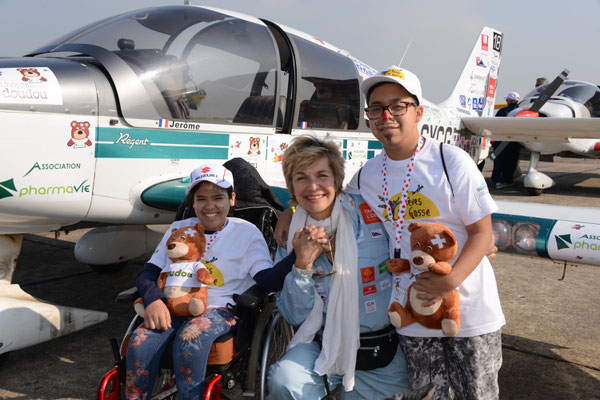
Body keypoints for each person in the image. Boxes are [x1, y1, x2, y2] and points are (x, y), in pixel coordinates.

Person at [343, 66, 505, 400]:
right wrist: (289, 214)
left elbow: (482, 233)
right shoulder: (366, 177)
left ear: (418, 112)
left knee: (476, 394)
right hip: (412, 312)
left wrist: (451, 279)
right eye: (376, 108)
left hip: (470, 311)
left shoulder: (451, 161)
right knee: (424, 394)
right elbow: (333, 205)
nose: (386, 115)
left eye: (397, 105)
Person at [125, 163, 298, 400]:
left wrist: (298, 255)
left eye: (218, 197)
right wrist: (153, 299)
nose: (209, 206)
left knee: (190, 338)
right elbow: (148, 273)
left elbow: (267, 281)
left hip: (219, 310)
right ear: (193, 203)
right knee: (139, 341)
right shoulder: (178, 228)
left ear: (232, 199)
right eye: (201, 199)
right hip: (171, 305)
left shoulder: (246, 233)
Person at [268, 136, 410, 399]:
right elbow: (293, 316)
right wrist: (303, 264)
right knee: (285, 380)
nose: (313, 187)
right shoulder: (291, 234)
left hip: (379, 349)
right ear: (291, 186)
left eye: (322, 175)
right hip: (322, 345)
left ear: (336, 179)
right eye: (301, 178)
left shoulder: (371, 212)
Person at [490, 91, 521, 189]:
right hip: (514, 142)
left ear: (510, 100)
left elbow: (495, 125)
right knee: (511, 161)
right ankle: (508, 180)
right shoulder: (521, 111)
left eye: (507, 99)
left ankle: (497, 180)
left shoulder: (502, 111)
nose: (506, 101)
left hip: (500, 140)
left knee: (499, 161)